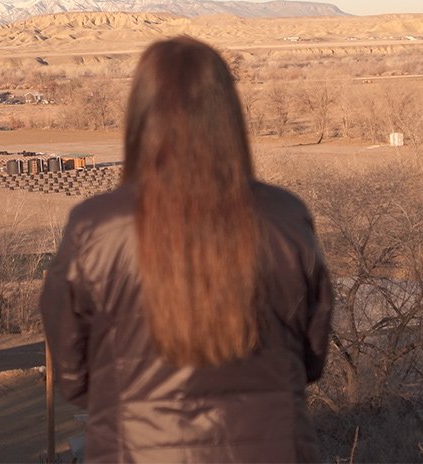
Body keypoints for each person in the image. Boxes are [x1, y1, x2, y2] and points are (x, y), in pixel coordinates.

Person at [40, 36, 333, 462]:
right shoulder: (286, 217)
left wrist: (126, 399)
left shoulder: (96, 227)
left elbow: (72, 375)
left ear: (140, 118)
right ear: (227, 115)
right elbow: (311, 359)